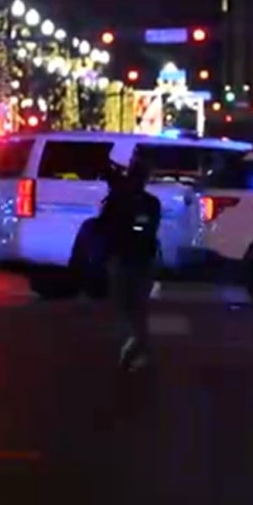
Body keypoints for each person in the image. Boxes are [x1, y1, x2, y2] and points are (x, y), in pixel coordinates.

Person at [98, 152, 161, 372]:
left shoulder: (119, 201)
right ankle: (134, 352)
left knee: (125, 309)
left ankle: (130, 351)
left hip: (125, 259)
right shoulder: (149, 203)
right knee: (138, 310)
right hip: (137, 260)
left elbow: (103, 227)